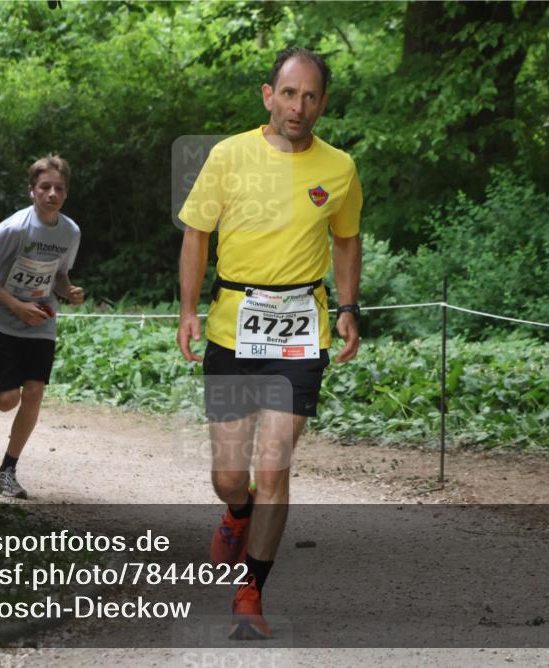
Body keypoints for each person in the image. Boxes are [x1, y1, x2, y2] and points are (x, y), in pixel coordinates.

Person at [177, 47, 363, 640]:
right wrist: (187, 309)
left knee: (274, 464)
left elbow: (346, 240)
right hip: (234, 328)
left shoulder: (340, 169)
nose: (298, 107)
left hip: (300, 333)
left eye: (310, 96)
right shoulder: (228, 155)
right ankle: (237, 509)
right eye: (289, 93)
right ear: (268, 95)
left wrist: (349, 305)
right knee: (232, 477)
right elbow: (197, 235)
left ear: (322, 104)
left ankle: (251, 589)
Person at [0, 154, 84, 499]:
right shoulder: (13, 228)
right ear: (32, 190)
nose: (52, 194)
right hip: (4, 317)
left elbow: (59, 275)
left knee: (35, 392)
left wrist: (68, 291)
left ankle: (7, 471)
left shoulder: (70, 232)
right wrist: (15, 305)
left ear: (66, 193)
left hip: (41, 319)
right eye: (45, 187)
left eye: (59, 188)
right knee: (7, 399)